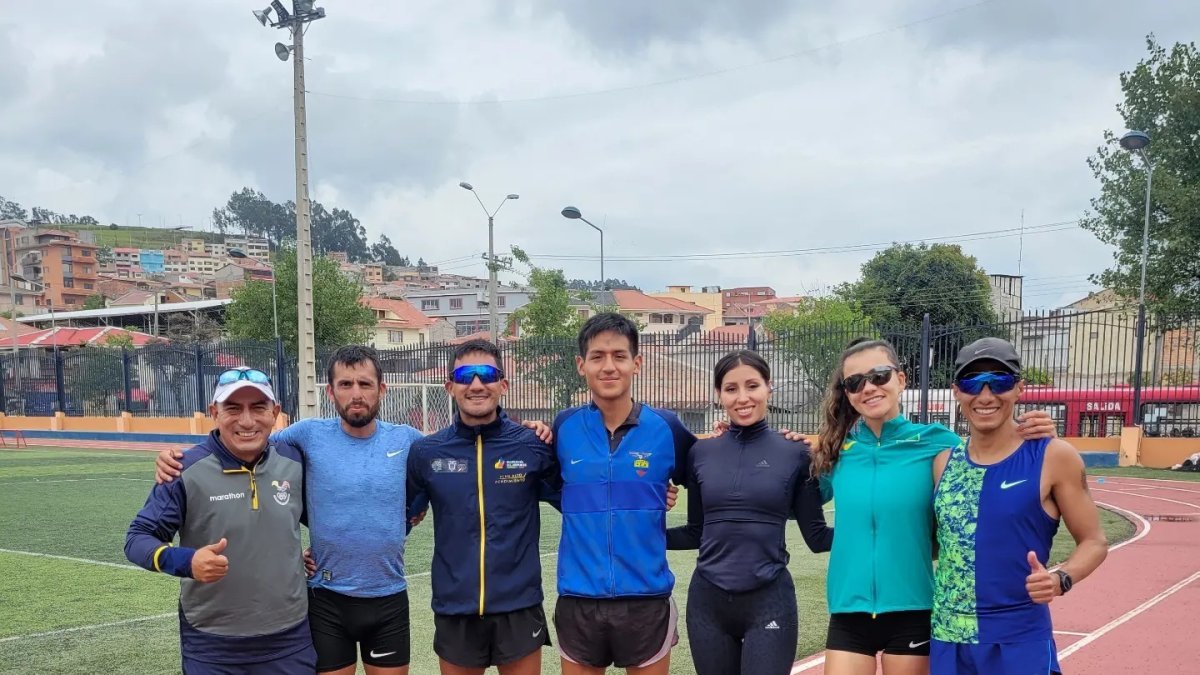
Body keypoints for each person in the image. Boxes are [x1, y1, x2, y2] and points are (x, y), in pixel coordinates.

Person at [154, 345, 552, 675]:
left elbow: (440, 479)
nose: (356, 393)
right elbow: (248, 439)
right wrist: (183, 455)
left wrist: (531, 430)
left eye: (365, 384)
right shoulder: (305, 436)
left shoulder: (415, 443)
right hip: (327, 597)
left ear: (382, 388)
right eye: (345, 385)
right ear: (331, 392)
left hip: (389, 595)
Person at [811, 338, 1057, 675]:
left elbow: (991, 460)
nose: (868, 388)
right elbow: (797, 500)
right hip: (848, 609)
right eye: (855, 382)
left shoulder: (937, 442)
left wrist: (1028, 433)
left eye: (879, 376)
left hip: (914, 607)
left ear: (901, 378)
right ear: (847, 392)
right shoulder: (837, 449)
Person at [931, 337, 1108, 674]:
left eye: (1000, 382)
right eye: (972, 383)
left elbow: (1095, 541)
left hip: (1019, 638)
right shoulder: (943, 462)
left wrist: (1060, 579)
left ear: (1019, 389)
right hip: (948, 639)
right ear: (956, 391)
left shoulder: (1053, 456)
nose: (985, 396)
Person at [126, 367, 315, 674]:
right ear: (214, 412)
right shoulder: (183, 470)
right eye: (232, 408)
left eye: (258, 408)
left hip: (290, 637)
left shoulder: (294, 462)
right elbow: (138, 538)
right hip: (212, 643)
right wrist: (187, 561)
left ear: (275, 412)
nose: (247, 420)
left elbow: (324, 517)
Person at [666, 350, 832, 675]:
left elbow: (816, 536)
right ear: (719, 395)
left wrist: (880, 532)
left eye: (752, 386)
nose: (742, 397)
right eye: (731, 389)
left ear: (769, 388)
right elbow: (695, 532)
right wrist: (638, 536)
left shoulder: (796, 453)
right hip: (707, 604)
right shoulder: (701, 453)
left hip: (769, 600)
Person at [550, 312, 696, 675]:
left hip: (646, 599)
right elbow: (553, 488)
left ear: (637, 363)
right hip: (578, 599)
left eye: (619, 355)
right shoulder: (563, 427)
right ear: (581, 365)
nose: (609, 366)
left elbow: (711, 475)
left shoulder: (667, 427)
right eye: (597, 356)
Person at [405, 339, 559, 675]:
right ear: (450, 386)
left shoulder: (533, 445)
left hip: (519, 604)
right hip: (455, 605)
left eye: (487, 373)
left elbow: (580, 502)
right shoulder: (426, 453)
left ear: (503, 384)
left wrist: (649, 493)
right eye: (464, 375)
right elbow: (398, 519)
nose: (476, 384)